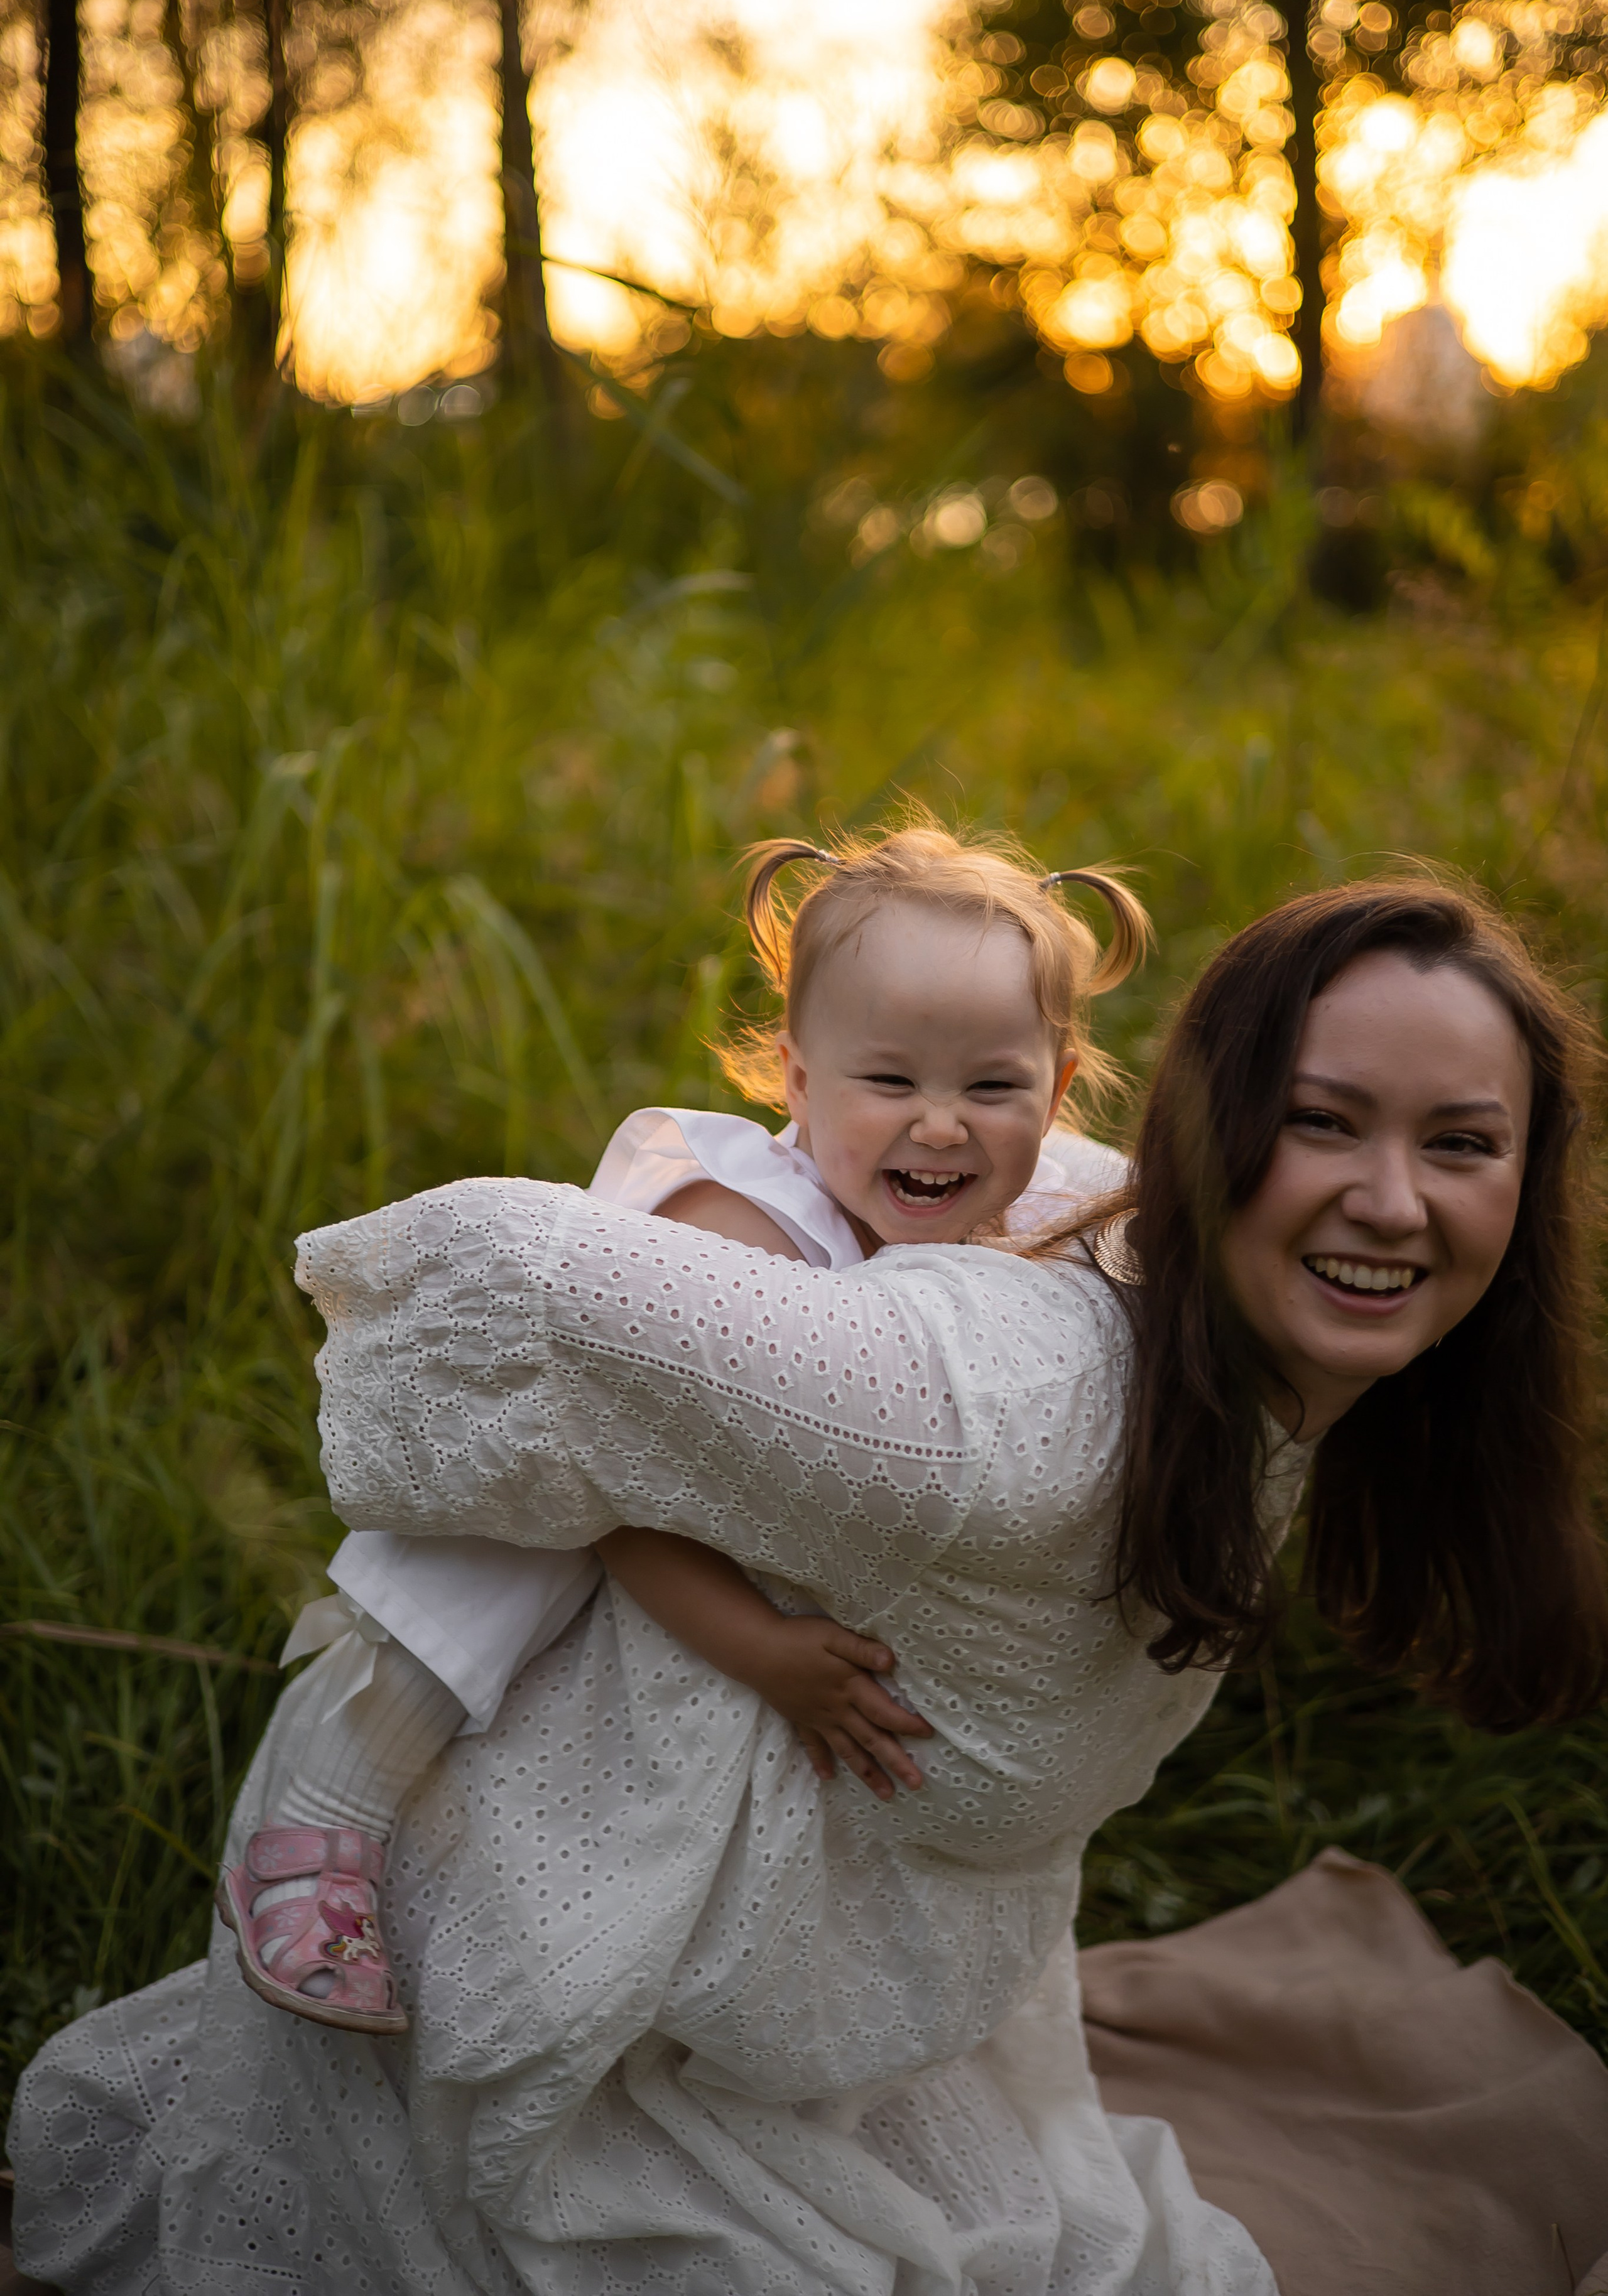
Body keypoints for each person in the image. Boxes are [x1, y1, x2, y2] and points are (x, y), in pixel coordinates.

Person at [13, 875, 1608, 2296]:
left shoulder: (1186, 1289)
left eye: (1457, 1143)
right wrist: (737, 1453)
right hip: (572, 1965)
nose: (1393, 1200)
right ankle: (332, 1842)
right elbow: (511, 1294)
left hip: (835, 1976)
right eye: (1324, 1121)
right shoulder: (976, 1410)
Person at [215, 821, 1150, 2033]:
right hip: (574, 1481)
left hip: (677, 1501)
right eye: (890, 1082)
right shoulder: (743, 1227)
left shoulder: (989, 1216)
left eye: (992, 1087)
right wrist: (760, 1648)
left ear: (1058, 1091)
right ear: (798, 1081)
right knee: (479, 1605)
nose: (939, 1126)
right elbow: (623, 1497)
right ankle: (315, 1834)